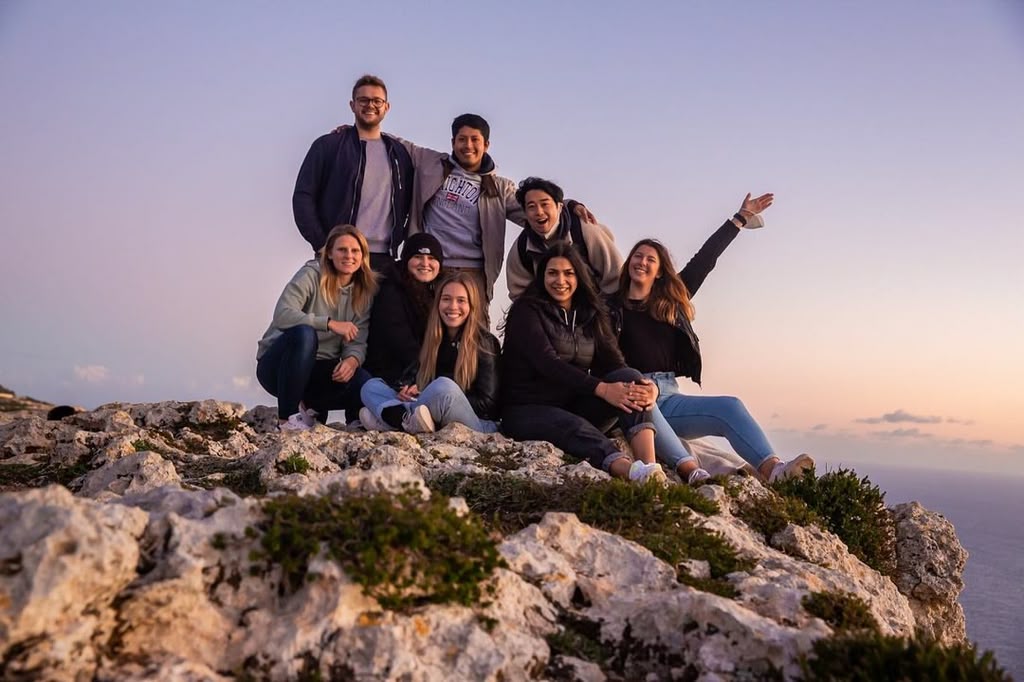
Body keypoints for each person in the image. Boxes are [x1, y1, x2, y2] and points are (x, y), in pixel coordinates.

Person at [608, 193, 814, 484]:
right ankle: (692, 472)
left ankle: (775, 471)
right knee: (644, 401)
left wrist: (739, 219)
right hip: (635, 392)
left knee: (730, 406)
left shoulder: (671, 302)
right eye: (637, 256)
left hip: (669, 395)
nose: (642, 262)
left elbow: (705, 259)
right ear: (629, 262)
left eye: (650, 259)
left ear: (659, 271)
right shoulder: (610, 307)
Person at [500, 242, 666, 484]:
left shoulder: (591, 313)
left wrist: (648, 387)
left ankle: (650, 467)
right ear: (542, 277)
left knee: (630, 378)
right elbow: (548, 363)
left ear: (579, 276)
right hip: (526, 410)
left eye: (568, 273)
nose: (560, 281)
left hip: (572, 403)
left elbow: (615, 363)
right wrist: (602, 389)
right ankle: (631, 473)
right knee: (574, 426)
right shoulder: (526, 311)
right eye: (552, 273)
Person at [256, 224, 376, 430]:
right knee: (305, 334)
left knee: (363, 380)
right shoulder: (311, 274)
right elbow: (283, 314)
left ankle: (316, 408)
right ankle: (287, 419)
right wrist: (328, 323)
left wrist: (352, 360)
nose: (349, 256)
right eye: (342, 250)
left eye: (355, 251)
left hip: (319, 372)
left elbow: (357, 340)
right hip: (279, 368)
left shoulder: (363, 291)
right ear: (329, 253)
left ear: (363, 256)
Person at [292, 74, 414, 272]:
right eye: (363, 100)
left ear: (387, 107)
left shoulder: (399, 153)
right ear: (352, 105)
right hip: (340, 256)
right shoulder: (329, 146)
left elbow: (408, 203)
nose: (370, 105)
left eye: (377, 101)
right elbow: (303, 196)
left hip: (384, 260)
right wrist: (323, 244)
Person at [360, 271, 501, 434]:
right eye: (446, 299)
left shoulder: (485, 343)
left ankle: (391, 419)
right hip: (427, 409)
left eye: (461, 300)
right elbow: (413, 377)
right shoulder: (431, 338)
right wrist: (406, 390)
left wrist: (431, 396)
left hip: (477, 421)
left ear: (472, 305)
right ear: (438, 303)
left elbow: (487, 404)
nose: (453, 306)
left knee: (444, 386)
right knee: (371, 386)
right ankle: (406, 419)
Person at [506, 177, 623, 300]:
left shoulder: (584, 230)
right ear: (524, 213)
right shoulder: (521, 250)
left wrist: (606, 309)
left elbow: (617, 276)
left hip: (599, 305)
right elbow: (519, 296)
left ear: (559, 207)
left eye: (545, 204)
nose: (539, 212)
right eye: (531, 206)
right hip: (550, 310)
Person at [363, 232, 447, 389]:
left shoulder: (442, 290)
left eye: (431, 258)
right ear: (406, 259)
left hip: (422, 371)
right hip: (393, 374)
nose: (425, 263)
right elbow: (400, 341)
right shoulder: (390, 288)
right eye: (418, 257)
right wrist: (425, 376)